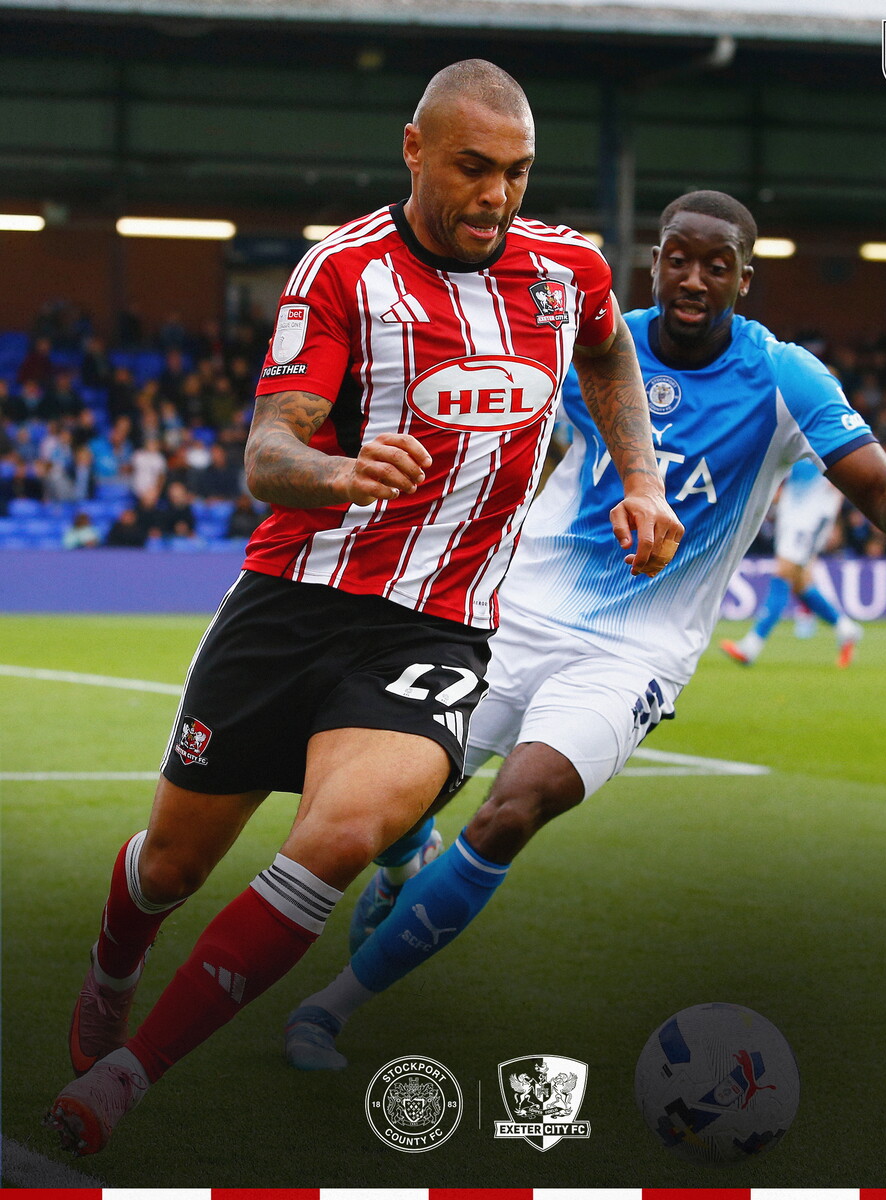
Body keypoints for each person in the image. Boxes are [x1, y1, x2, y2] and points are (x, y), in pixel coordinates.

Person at [45, 58, 680, 1157]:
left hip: (437, 626)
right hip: (291, 605)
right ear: (414, 150)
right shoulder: (341, 273)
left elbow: (612, 357)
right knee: (172, 867)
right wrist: (338, 473)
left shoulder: (565, 269)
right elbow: (270, 447)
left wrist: (641, 477)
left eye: (517, 173)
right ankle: (114, 963)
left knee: (341, 837)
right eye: (474, 169)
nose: (497, 196)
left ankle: (127, 1077)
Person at [281, 189, 886, 1072]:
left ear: (744, 281)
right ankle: (409, 858)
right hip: (510, 616)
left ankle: (327, 1012)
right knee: (372, 797)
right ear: (655, 262)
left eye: (718, 266)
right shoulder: (596, 340)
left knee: (511, 812)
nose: (694, 278)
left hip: (635, 654)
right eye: (679, 257)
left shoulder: (787, 377)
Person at [720, 458, 863, 668]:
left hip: (809, 516)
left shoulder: (827, 434)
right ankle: (846, 629)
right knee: (800, 584)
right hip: (793, 512)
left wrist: (830, 513)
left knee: (783, 574)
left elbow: (848, 468)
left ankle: (751, 645)